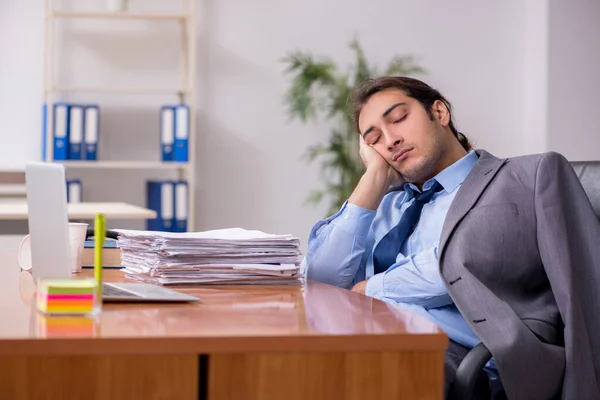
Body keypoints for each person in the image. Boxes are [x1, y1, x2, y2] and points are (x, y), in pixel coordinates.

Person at [301, 76, 600, 400]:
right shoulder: (385, 205)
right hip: (365, 340)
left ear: (439, 112)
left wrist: (368, 290)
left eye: (399, 118)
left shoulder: (525, 177)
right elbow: (321, 282)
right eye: (373, 139)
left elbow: (461, 263)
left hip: (461, 357)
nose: (389, 140)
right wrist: (372, 181)